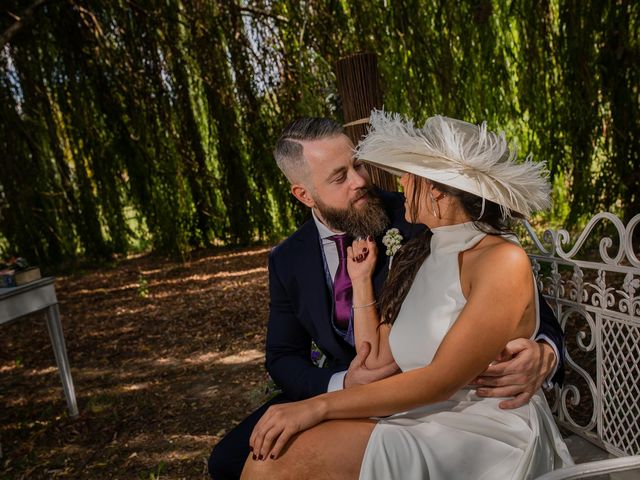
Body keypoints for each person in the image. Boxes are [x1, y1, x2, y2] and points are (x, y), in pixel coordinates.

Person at [209, 117, 565, 479]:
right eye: (339, 176)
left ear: (438, 191)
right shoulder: (299, 259)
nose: (363, 180)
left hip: (460, 416)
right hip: (366, 391)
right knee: (241, 460)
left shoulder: (416, 224)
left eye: (358, 164)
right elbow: (286, 355)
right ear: (304, 194)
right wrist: (340, 383)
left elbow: (521, 309)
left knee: (278, 465)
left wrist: (547, 352)